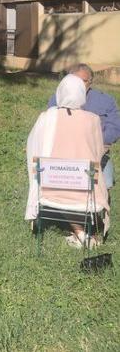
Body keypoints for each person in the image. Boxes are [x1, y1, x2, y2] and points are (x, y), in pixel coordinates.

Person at [29, 74, 110, 248]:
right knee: (92, 175)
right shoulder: (93, 119)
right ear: (82, 94)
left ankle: (79, 231)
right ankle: (83, 232)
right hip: (87, 193)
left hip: (50, 190)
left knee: (58, 179)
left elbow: (33, 149)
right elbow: (97, 153)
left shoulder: (46, 118)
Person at [48, 63, 120, 190]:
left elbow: (115, 127)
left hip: (97, 155)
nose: (78, 86)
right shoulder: (56, 99)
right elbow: (50, 127)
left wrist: (99, 143)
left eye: (83, 81)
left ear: (90, 82)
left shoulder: (106, 100)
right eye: (74, 81)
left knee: (106, 183)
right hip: (63, 154)